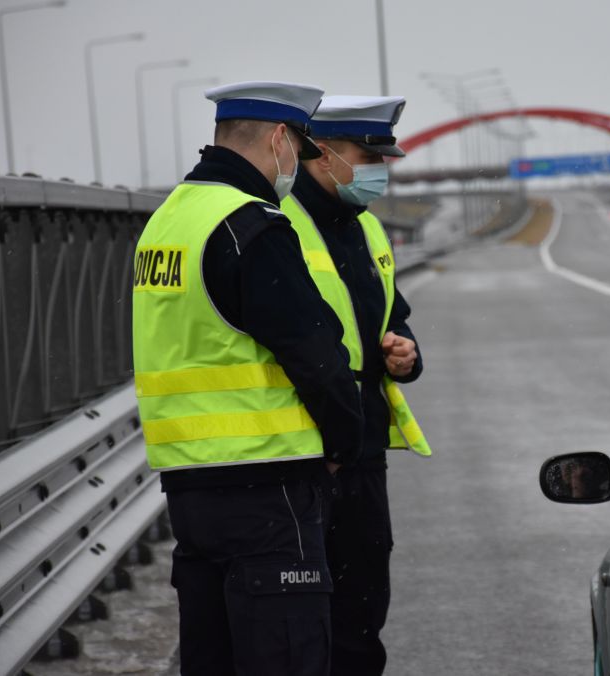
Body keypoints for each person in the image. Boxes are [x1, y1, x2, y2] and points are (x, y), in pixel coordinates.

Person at [132, 81, 366, 676]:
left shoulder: (168, 220)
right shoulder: (249, 224)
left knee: (213, 660)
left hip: (189, 486)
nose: (297, 167)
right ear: (280, 139)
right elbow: (315, 353)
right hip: (267, 487)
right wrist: (344, 443)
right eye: (300, 150)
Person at [279, 94, 431, 676]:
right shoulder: (275, 225)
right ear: (321, 154)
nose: (379, 169)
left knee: (363, 614)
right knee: (302, 625)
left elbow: (393, 317)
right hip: (301, 455)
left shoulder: (366, 228)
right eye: (367, 155)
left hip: (362, 454)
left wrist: (405, 353)